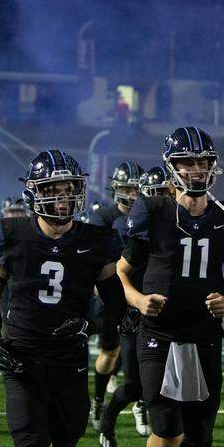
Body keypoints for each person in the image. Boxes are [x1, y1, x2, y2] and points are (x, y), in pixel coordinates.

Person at [117, 127, 224, 447]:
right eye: (187, 162)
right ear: (172, 167)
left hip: (204, 334)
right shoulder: (153, 211)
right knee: (167, 430)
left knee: (201, 433)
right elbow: (122, 273)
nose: (196, 169)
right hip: (159, 331)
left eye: (202, 162)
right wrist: (140, 300)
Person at [0, 150, 125, 447]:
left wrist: (90, 325)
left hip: (69, 362)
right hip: (23, 358)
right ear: (33, 192)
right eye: (52, 189)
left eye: (68, 188)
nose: (62, 197)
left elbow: (115, 305)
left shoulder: (98, 240)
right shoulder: (11, 233)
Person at [97, 166, 172, 447]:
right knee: (133, 386)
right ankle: (107, 420)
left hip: (170, 312)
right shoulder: (127, 226)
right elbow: (119, 272)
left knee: (173, 389)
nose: (159, 199)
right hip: (135, 311)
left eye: (164, 192)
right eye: (153, 193)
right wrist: (131, 303)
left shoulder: (185, 225)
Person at [87, 161, 143, 428]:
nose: (132, 193)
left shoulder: (148, 214)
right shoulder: (104, 217)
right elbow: (95, 261)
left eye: (136, 188)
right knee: (109, 352)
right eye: (127, 188)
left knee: (145, 354)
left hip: (140, 292)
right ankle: (98, 400)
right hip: (110, 294)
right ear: (116, 188)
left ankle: (141, 404)